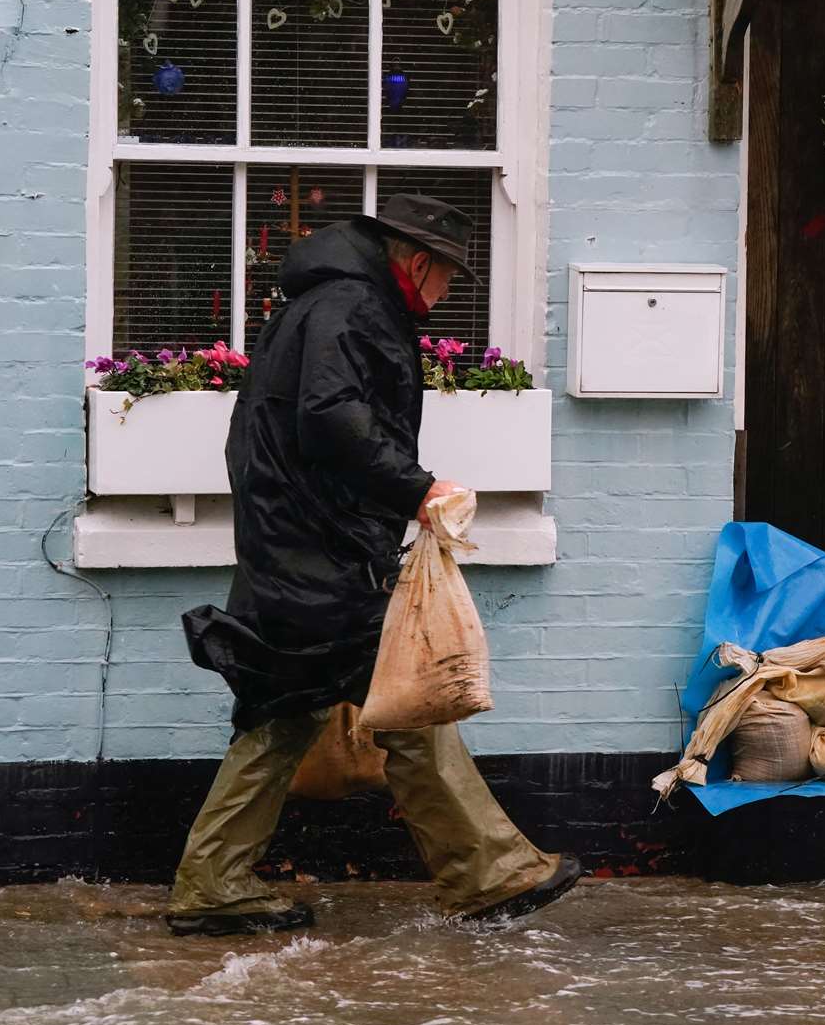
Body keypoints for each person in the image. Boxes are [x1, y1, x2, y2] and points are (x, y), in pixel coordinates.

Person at [167, 194, 581, 936]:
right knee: (407, 698)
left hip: (291, 541)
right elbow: (331, 417)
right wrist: (418, 489)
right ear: (418, 263)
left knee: (281, 709)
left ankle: (212, 882)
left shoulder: (323, 304)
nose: (446, 294)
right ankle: (489, 871)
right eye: (448, 278)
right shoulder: (354, 307)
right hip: (320, 550)